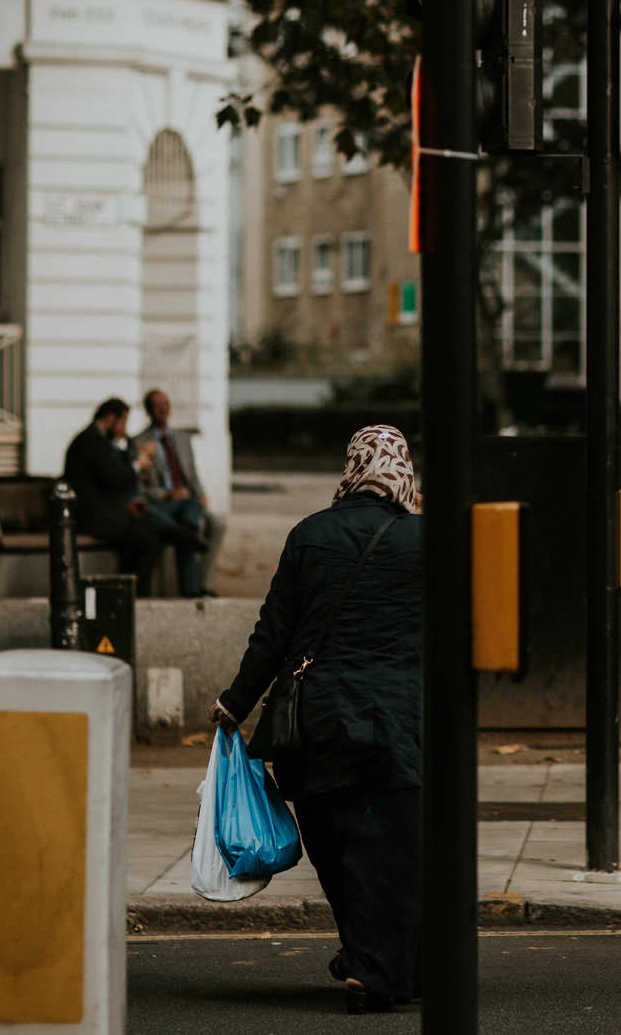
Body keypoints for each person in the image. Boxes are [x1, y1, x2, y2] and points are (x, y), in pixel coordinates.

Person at [208, 425, 423, 1014]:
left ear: (352, 465)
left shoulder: (310, 534)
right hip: (397, 723)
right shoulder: (424, 539)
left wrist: (235, 703)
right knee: (392, 851)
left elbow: (273, 633)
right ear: (402, 468)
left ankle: (368, 959)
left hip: (318, 723)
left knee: (337, 846)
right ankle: (378, 968)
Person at [62, 398, 204, 588]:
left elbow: (117, 471)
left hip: (114, 509)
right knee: (147, 536)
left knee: (151, 524)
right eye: (123, 422)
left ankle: (182, 535)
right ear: (111, 418)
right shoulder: (91, 441)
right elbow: (116, 477)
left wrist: (128, 445)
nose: (125, 428)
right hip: (97, 516)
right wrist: (138, 463)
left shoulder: (99, 440)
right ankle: (136, 593)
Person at [131, 388, 227, 598]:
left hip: (189, 502)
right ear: (149, 410)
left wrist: (201, 494)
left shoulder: (182, 438)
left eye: (165, 404)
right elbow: (140, 487)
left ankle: (202, 581)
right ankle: (191, 588)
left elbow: (191, 473)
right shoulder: (139, 441)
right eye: (157, 405)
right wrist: (167, 494)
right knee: (189, 527)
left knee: (217, 523)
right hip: (163, 503)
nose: (162, 409)